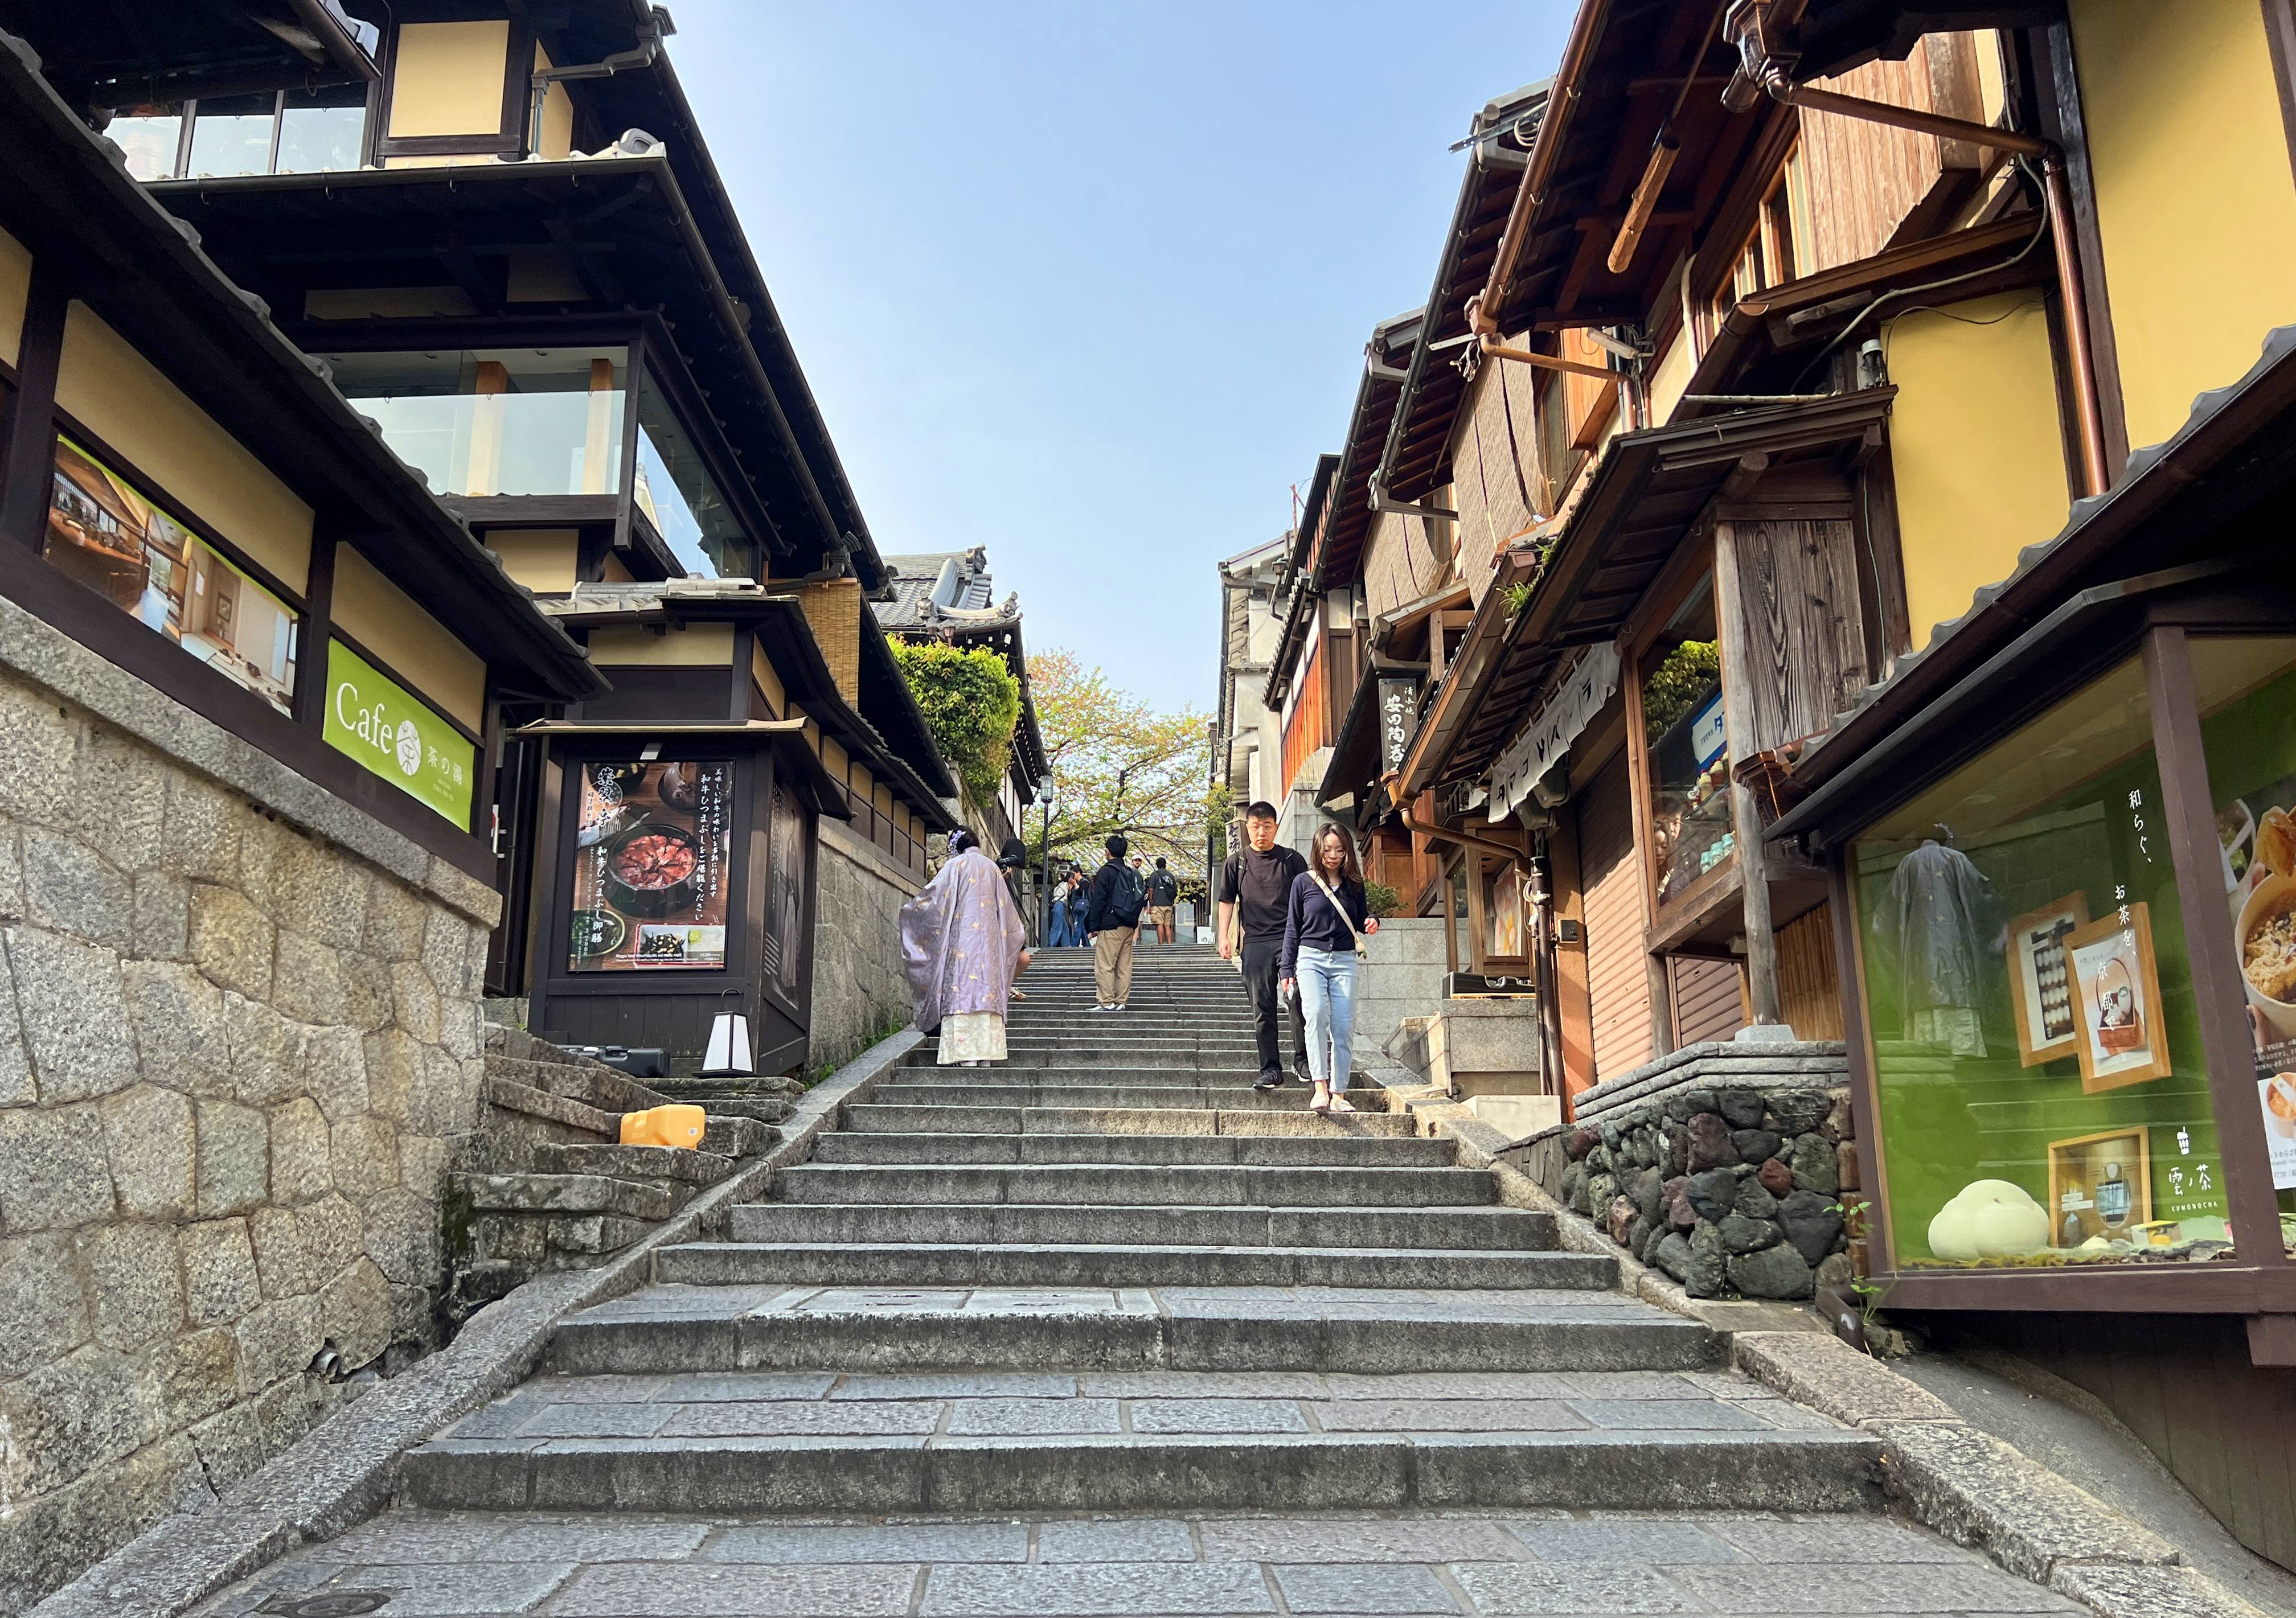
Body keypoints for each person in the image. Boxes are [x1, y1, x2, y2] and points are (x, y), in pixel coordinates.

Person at [899, 829, 1030, 1065]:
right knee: (986, 992)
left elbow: (934, 899)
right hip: (990, 944)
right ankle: (986, 1055)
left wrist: (912, 912)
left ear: (956, 846)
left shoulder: (955, 865)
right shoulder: (992, 868)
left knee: (962, 989)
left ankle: (964, 1055)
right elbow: (1009, 917)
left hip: (962, 941)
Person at [1280, 824, 1380, 1114]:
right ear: (1318, 849)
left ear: (1347, 851)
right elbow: (1292, 927)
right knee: (1315, 1015)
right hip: (1310, 958)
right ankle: (1320, 1087)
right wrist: (1287, 969)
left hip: (1345, 959)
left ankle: (1339, 1093)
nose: (1333, 855)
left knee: (1343, 1026)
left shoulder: (1354, 884)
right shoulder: (1303, 882)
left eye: (1339, 849)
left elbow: (1362, 917)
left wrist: (1372, 921)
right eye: (1327, 849)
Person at [1217, 801, 1310, 1090]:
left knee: (1298, 1002)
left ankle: (1303, 1060)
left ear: (1275, 827)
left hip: (1290, 941)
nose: (1261, 833)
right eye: (1256, 827)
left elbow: (1307, 899)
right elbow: (1226, 901)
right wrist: (1224, 936)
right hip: (1255, 943)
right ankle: (1271, 1068)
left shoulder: (1293, 860)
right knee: (1262, 1007)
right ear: (1248, 828)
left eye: (1267, 826)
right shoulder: (1237, 863)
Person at [1084, 833, 1147, 1010]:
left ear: (1108, 852)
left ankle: (1106, 1001)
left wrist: (1094, 926)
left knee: (1105, 964)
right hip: (1129, 925)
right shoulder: (1131, 872)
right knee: (1124, 966)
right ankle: (1121, 1001)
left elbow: (1099, 901)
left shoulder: (1106, 872)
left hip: (1111, 925)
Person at [1146, 857, 1179, 946]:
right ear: (1165, 865)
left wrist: (1151, 901)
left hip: (1158, 903)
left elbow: (1151, 889)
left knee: (1160, 924)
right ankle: (1169, 944)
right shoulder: (1171, 876)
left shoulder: (1155, 875)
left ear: (1157, 865)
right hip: (1169, 903)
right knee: (1167, 925)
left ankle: (1160, 944)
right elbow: (1175, 891)